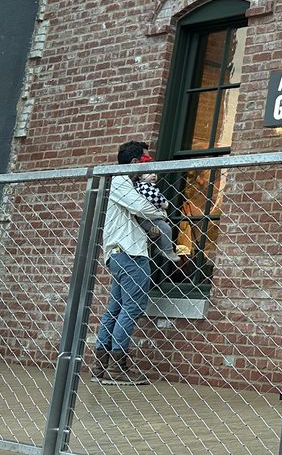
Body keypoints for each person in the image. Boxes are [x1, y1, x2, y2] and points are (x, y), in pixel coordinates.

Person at [91, 141, 169, 385]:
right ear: (135, 162)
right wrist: (162, 213)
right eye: (146, 161)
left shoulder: (127, 184)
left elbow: (134, 214)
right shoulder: (120, 181)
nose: (149, 166)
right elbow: (141, 207)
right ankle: (117, 367)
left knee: (116, 309)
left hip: (122, 253)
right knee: (132, 308)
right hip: (129, 254)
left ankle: (102, 367)